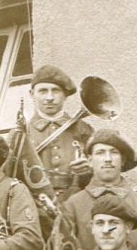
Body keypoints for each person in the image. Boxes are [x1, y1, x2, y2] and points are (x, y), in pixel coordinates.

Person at [56, 129, 137, 250]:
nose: (108, 159)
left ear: (122, 160)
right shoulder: (73, 205)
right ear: (90, 160)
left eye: (114, 152)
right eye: (100, 153)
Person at [21, 65, 94, 206]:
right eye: (43, 91)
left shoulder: (83, 130)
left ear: (65, 95)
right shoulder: (22, 133)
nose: (49, 97)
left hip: (79, 204)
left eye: (56, 91)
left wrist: (90, 169)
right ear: (31, 94)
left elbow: (103, 171)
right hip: (36, 206)